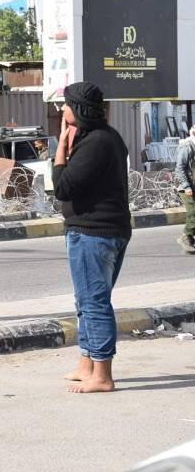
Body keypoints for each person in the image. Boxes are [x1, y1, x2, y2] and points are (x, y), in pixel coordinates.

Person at [53, 82, 132, 393]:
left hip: (93, 234)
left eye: (67, 104)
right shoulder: (102, 138)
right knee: (86, 301)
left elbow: (62, 187)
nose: (62, 110)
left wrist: (61, 146)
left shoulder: (97, 142)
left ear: (81, 109)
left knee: (94, 303)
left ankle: (102, 375)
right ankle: (87, 364)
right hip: (101, 231)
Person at [175, 124, 195, 254]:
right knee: (193, 212)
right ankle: (185, 236)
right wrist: (187, 186)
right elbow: (180, 168)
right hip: (185, 187)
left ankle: (190, 239)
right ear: (193, 133)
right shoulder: (187, 146)